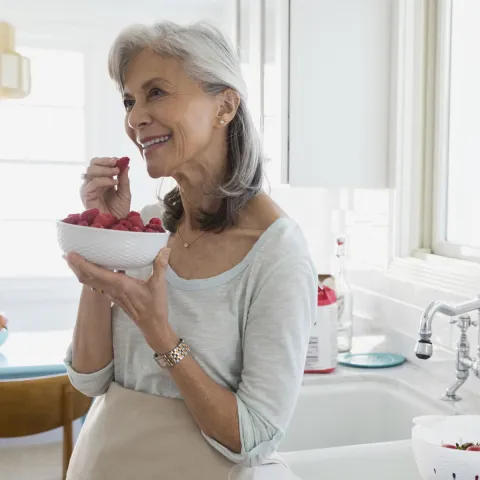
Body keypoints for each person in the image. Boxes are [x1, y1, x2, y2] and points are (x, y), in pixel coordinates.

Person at [63, 19, 316, 480]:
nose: (135, 117)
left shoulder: (277, 253)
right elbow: (89, 378)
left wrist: (159, 331)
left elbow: (252, 438)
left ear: (224, 105)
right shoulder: (144, 228)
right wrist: (104, 240)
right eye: (129, 100)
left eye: (155, 92)